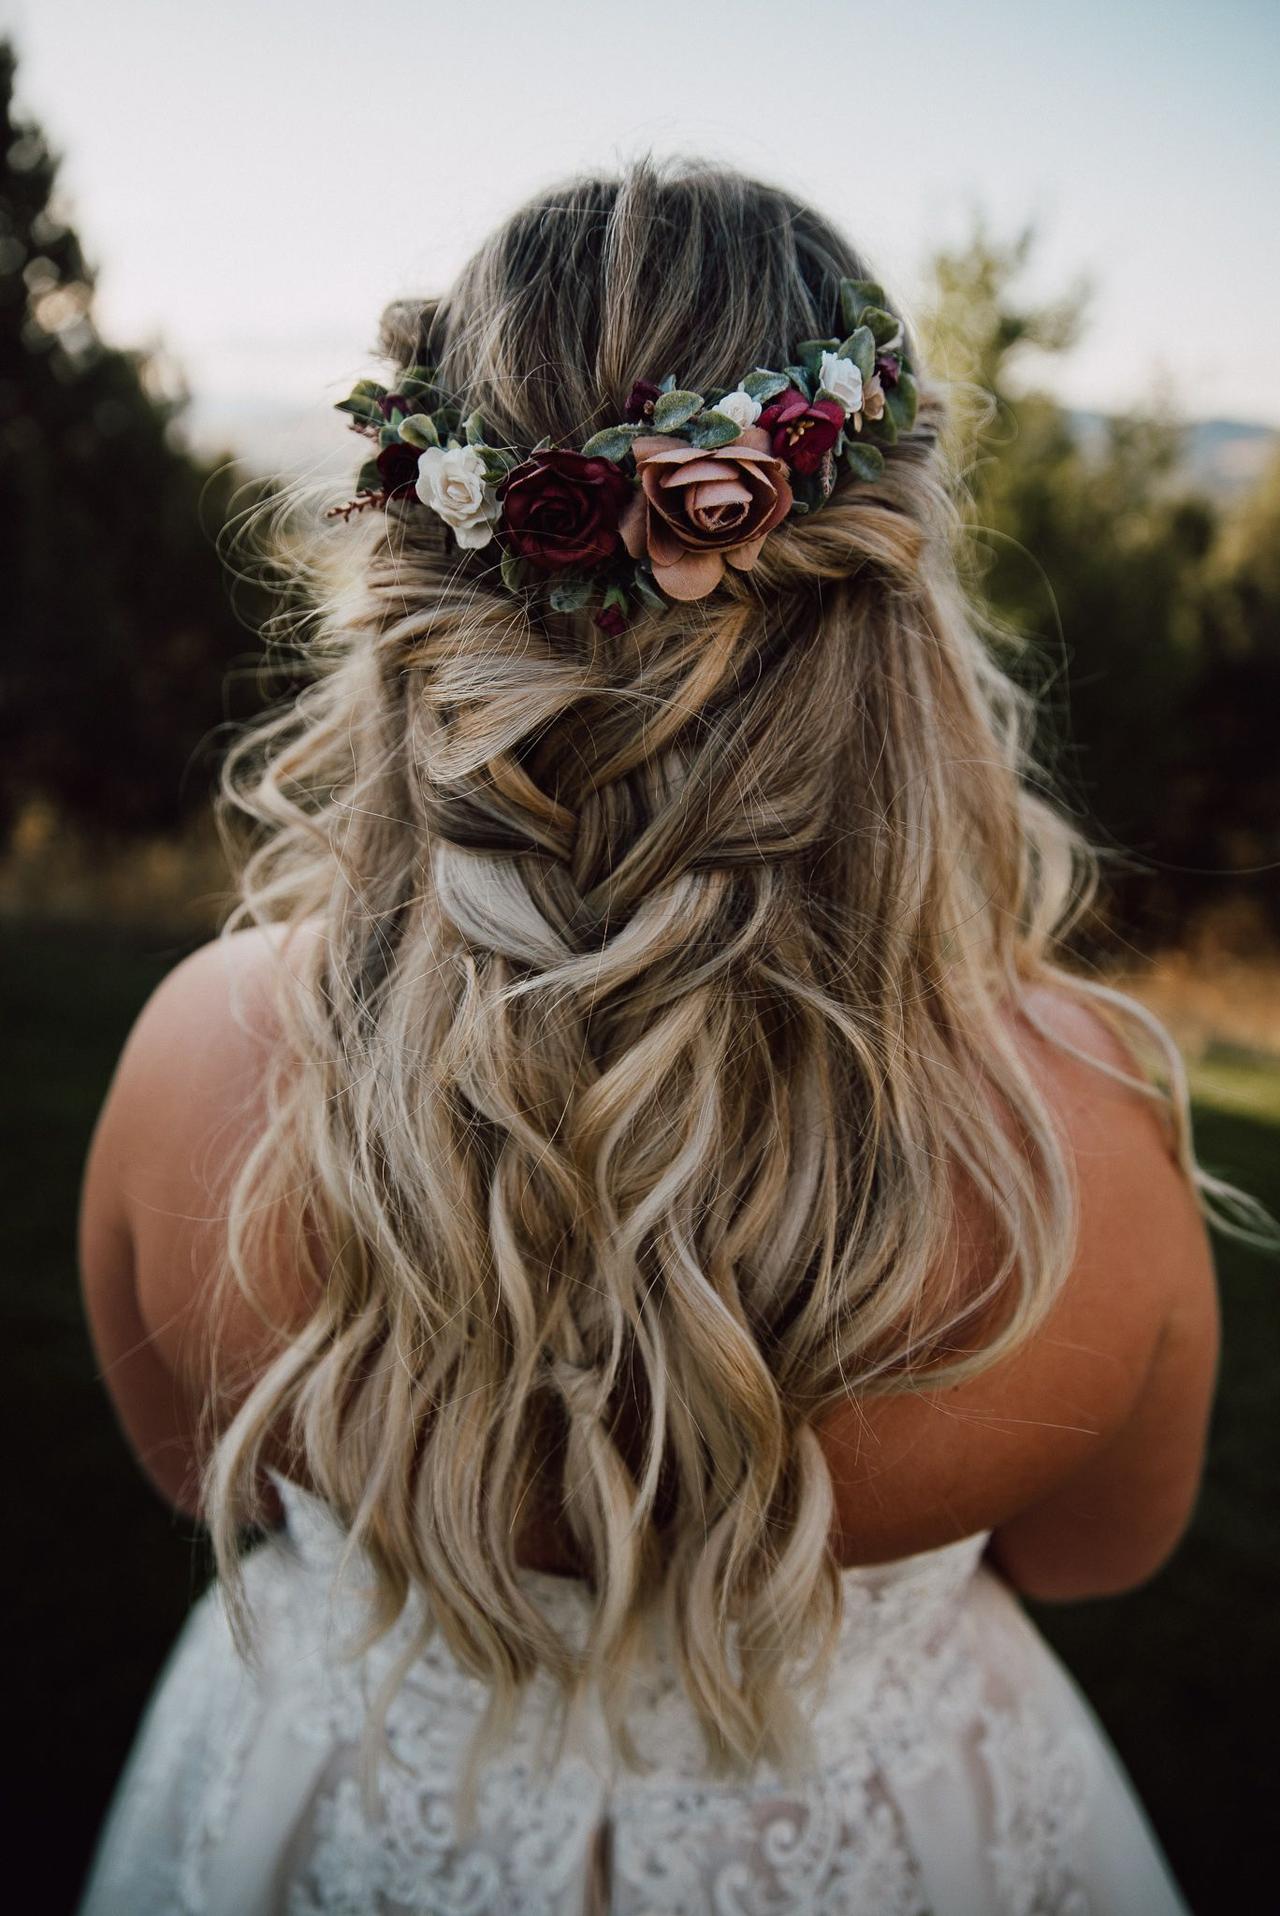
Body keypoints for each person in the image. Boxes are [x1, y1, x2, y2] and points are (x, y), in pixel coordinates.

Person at [77, 159, 1233, 1914]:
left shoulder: (195, 1066)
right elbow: (1095, 1557)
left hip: (328, 1824)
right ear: (894, 604)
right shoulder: (1079, 1132)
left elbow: (195, 1475)